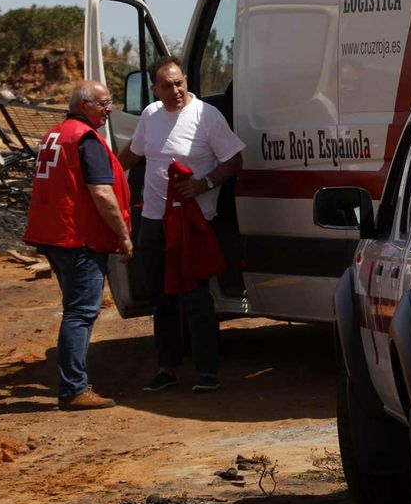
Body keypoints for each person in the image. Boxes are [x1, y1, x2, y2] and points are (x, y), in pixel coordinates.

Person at [118, 56, 245, 393]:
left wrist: (203, 184)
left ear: (186, 80)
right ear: (154, 89)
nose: (175, 91)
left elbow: (234, 160)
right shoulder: (150, 115)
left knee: (196, 298)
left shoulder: (207, 116)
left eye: (179, 83)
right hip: (154, 221)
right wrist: (105, 173)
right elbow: (133, 153)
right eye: (166, 86)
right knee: (160, 298)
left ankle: (207, 372)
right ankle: (167, 368)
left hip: (193, 225)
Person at [22, 81, 134, 410]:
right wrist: (123, 234)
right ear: (84, 105)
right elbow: (101, 193)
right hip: (78, 238)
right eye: (104, 103)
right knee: (80, 313)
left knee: (75, 309)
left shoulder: (55, 135)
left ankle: (75, 384)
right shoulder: (86, 140)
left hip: (54, 236)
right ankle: (74, 388)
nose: (109, 109)